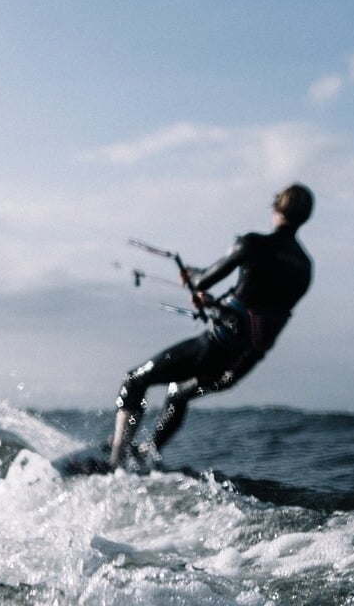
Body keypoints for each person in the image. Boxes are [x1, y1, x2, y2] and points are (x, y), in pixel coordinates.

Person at [104, 183, 314, 469]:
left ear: (276, 208)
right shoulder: (304, 267)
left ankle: (116, 460)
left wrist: (193, 276)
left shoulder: (252, 244)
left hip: (216, 347)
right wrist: (216, 304)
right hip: (239, 365)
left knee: (134, 381)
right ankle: (147, 454)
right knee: (180, 393)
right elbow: (261, 303)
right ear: (305, 217)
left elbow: (204, 282)